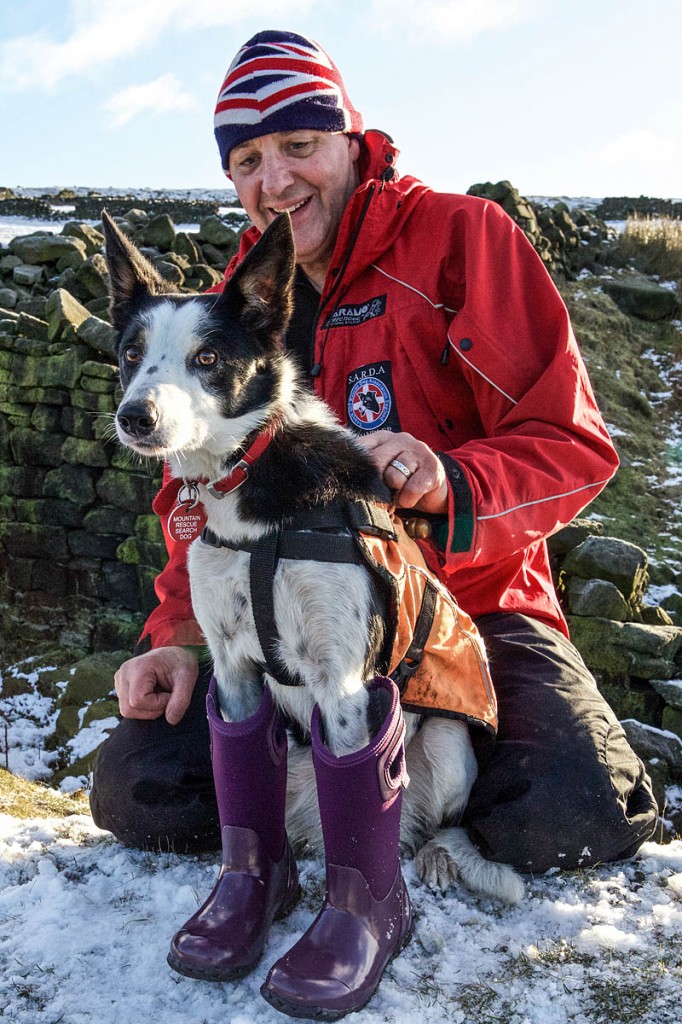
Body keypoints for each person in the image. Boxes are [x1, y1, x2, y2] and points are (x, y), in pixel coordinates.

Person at [90, 27, 657, 1017]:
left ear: (351, 138)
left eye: (297, 145)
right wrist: (177, 636)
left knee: (574, 806)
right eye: (248, 161)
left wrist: (448, 478)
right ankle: (287, 853)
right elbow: (196, 490)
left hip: (469, 607)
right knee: (134, 783)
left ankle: (383, 843)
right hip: (278, 619)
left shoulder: (460, 240)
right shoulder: (235, 304)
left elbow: (572, 446)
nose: (277, 179)